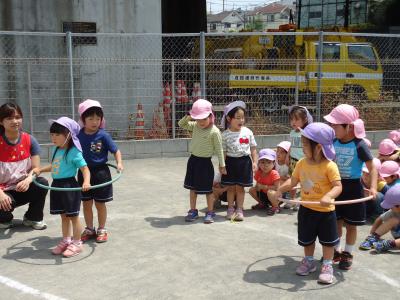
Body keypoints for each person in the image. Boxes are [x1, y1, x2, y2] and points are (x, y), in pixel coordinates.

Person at [277, 122, 342, 284]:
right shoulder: (301, 163)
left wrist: (328, 196)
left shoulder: (330, 166)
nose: (302, 147)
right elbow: (292, 182)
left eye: (305, 144)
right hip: (306, 209)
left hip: (325, 211)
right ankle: (309, 260)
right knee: (307, 239)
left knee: (327, 241)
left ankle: (327, 265)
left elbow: (338, 187)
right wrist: (279, 190)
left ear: (318, 147)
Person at [324, 104, 377, 270]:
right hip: (335, 186)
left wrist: (373, 187)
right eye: (331, 124)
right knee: (336, 223)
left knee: (351, 225)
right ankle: (336, 251)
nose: (332, 128)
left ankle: (348, 253)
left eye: (335, 125)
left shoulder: (359, 145)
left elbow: (372, 167)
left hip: (354, 188)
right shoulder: (332, 141)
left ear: (349, 127)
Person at [33, 117, 90, 257]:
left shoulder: (74, 152)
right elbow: (55, 166)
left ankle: (77, 243)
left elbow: (85, 169)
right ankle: (66, 240)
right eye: (52, 134)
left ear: (69, 135)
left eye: (57, 134)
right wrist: (40, 169)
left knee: (73, 216)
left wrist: (86, 181)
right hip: (57, 186)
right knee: (63, 216)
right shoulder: (56, 150)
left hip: (69, 186)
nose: (53, 137)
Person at [77, 99, 123, 243]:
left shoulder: (103, 135)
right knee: (86, 203)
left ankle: (102, 228)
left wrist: (119, 163)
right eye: (91, 118)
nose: (94, 122)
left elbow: (116, 150)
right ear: (83, 119)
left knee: (100, 203)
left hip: (101, 173)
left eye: (98, 118)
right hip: (84, 173)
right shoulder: (78, 135)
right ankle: (89, 228)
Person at [0, 103, 48, 230]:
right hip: (2, 191)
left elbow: (36, 168)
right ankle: (4, 218)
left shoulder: (29, 139)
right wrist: (0, 194)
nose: (14, 121)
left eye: (17, 117)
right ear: (1, 122)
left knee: (41, 183)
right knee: (4, 220)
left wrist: (28, 180)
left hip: (21, 187)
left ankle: (33, 218)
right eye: (9, 118)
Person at [178, 99, 226, 224]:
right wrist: (190, 115)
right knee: (192, 188)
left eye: (204, 118)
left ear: (211, 116)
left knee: (207, 190)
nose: (201, 122)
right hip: (193, 161)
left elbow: (219, 149)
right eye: (198, 119)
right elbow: (181, 124)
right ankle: (193, 210)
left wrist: (222, 165)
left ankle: (210, 212)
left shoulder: (215, 131)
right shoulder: (195, 126)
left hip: (205, 164)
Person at [220, 101, 257, 221]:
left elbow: (253, 148)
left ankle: (240, 209)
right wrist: (222, 165)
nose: (241, 120)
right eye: (237, 118)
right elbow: (223, 152)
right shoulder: (225, 135)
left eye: (242, 117)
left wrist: (255, 162)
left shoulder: (248, 132)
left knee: (241, 188)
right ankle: (230, 208)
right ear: (229, 119)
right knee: (231, 188)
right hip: (230, 163)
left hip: (244, 163)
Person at [359, 185, 400, 251]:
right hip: (397, 235)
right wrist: (373, 233)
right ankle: (373, 238)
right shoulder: (394, 212)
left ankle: (388, 244)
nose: (390, 208)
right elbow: (379, 219)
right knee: (393, 220)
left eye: (391, 206)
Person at [249, 149, 281, 215]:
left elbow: (277, 188)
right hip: (264, 195)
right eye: (262, 162)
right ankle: (263, 204)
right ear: (259, 163)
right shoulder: (259, 173)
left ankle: (276, 206)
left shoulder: (274, 173)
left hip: (275, 196)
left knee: (270, 192)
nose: (265, 165)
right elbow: (257, 185)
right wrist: (257, 187)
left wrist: (264, 187)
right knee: (251, 190)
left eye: (269, 162)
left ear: (273, 163)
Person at [288, 106, 313, 176]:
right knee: (293, 178)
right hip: (293, 161)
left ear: (305, 120)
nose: (293, 122)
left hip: (303, 161)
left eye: (296, 120)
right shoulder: (292, 132)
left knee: (303, 179)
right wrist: (288, 156)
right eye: (291, 120)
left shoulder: (307, 133)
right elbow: (291, 146)